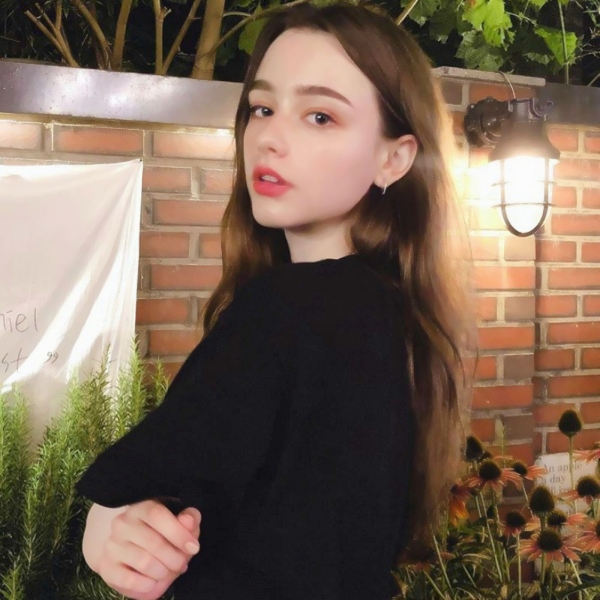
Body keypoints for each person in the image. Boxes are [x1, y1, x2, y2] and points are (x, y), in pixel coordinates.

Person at [76, 3, 473, 599]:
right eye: (262, 108)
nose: (269, 137)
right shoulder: (394, 313)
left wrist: (109, 526)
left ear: (393, 158)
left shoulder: (289, 310)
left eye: (319, 116)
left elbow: (131, 488)